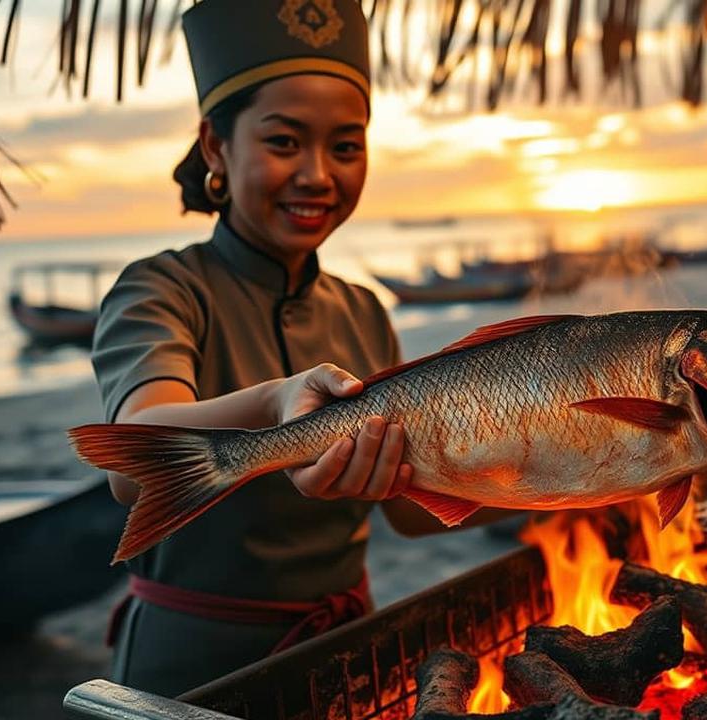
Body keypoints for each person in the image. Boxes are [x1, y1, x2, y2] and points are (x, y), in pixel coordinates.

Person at [89, 0, 496, 695]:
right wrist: (278, 403)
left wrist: (582, 480)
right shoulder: (162, 289)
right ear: (217, 146)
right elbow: (135, 457)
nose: (317, 175)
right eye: (284, 143)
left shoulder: (363, 310)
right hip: (194, 669)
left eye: (345, 146)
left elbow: (407, 511)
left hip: (347, 658)